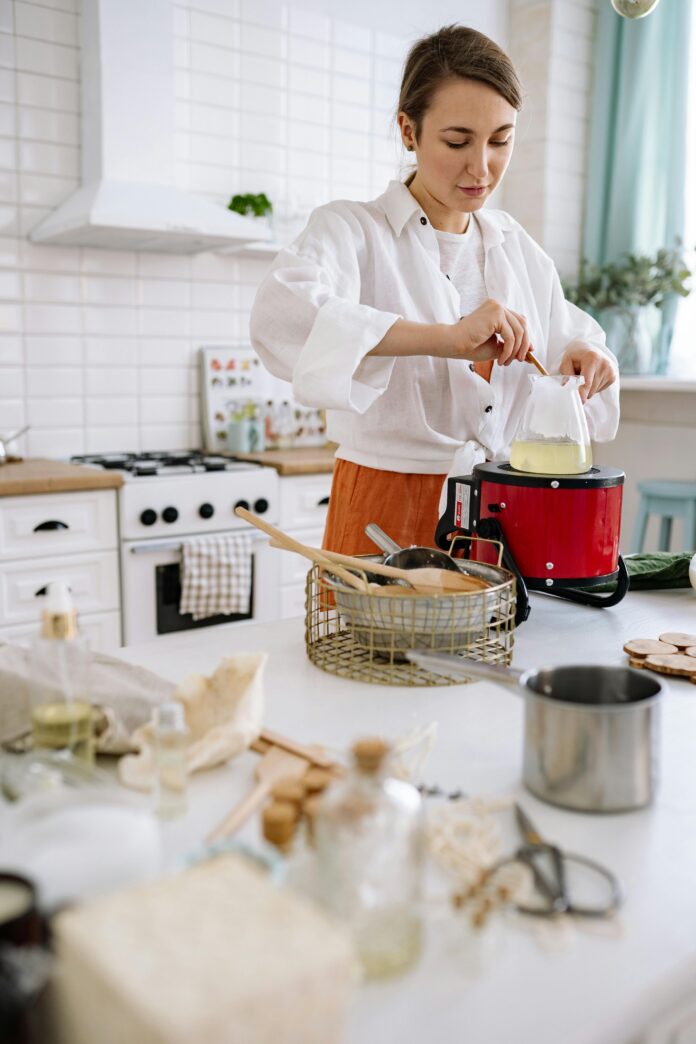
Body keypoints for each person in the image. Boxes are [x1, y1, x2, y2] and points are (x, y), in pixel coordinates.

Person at [250, 24, 619, 555]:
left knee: (494, 643)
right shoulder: (352, 231)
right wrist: (445, 338)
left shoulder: (518, 249)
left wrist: (585, 356)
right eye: (457, 141)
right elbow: (281, 314)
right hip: (385, 509)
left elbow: (566, 339)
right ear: (408, 130)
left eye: (500, 140)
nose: (481, 166)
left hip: (500, 513)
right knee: (371, 641)